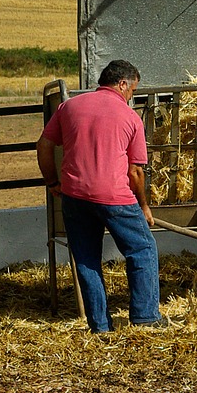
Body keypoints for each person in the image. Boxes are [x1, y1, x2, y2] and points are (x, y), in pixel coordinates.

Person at [36, 59, 168, 333]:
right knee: (142, 250)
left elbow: (44, 145)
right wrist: (143, 206)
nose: (131, 96)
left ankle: (100, 326)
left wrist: (52, 181)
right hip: (115, 198)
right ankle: (145, 318)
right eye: (132, 90)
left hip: (74, 196)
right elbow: (135, 173)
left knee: (86, 258)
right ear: (122, 84)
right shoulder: (130, 117)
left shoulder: (69, 106)